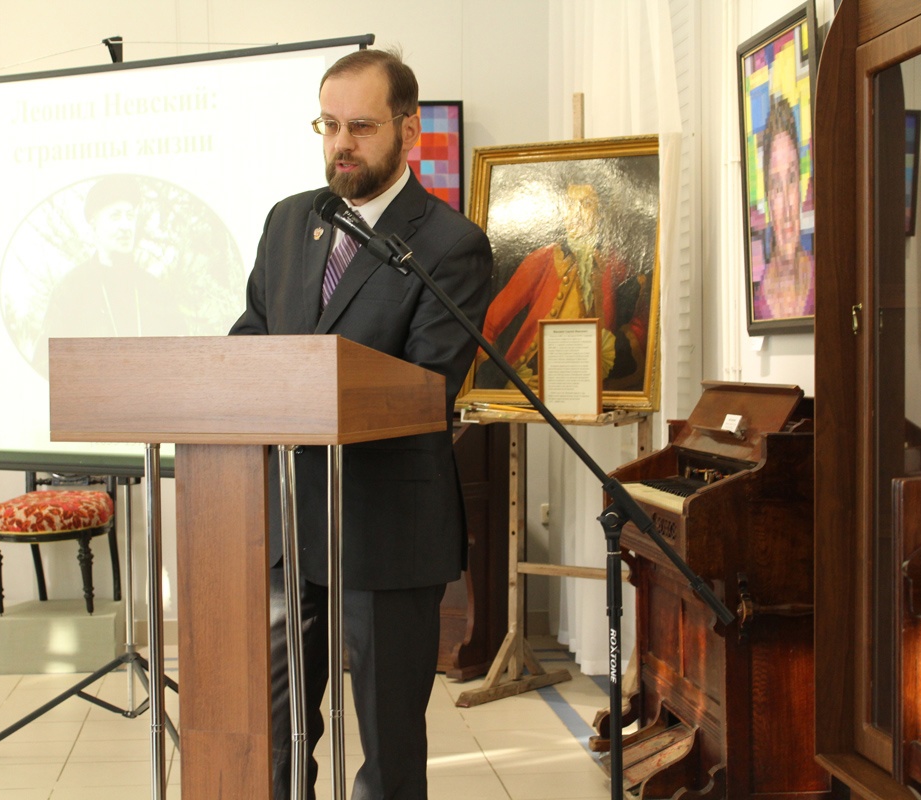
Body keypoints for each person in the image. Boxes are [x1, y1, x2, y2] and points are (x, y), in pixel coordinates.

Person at [229, 47, 492, 799]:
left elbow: (427, 388)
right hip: (288, 524)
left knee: (388, 750)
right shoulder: (290, 222)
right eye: (329, 125)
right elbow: (252, 338)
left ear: (408, 131)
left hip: (387, 529)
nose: (341, 144)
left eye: (362, 127)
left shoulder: (450, 244)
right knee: (276, 736)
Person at [474, 182, 649, 391]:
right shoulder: (542, 259)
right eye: (571, 205)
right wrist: (502, 377)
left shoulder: (615, 266)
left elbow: (642, 319)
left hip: (586, 388)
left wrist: (617, 350)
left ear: (600, 214)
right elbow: (487, 324)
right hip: (532, 385)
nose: (577, 214)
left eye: (586, 204)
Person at [34, 174, 186, 374]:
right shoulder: (70, 290)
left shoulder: (156, 291)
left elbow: (182, 361)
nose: (125, 226)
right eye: (115, 216)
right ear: (94, 225)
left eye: (130, 216)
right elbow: (44, 365)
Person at [752, 96, 814, 321]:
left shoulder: (823, 281)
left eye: (791, 179)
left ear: (801, 185)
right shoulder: (757, 305)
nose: (787, 207)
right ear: (768, 198)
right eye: (777, 187)